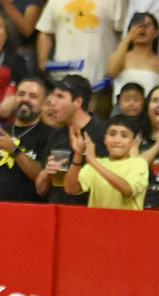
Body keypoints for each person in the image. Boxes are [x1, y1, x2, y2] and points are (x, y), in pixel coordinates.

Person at [36, 0, 124, 89]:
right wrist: (42, 62)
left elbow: (123, 34)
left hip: (100, 80)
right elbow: (45, 31)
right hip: (64, 80)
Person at [0, 75, 51, 203]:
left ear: (43, 104)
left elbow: (42, 178)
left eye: (33, 96)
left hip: (29, 211)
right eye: (21, 94)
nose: (25, 99)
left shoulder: (49, 135)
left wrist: (14, 150)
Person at [36, 74, 109, 204]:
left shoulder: (103, 134)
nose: (52, 102)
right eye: (53, 95)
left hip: (89, 215)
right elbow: (41, 190)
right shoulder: (56, 134)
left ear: (77, 102)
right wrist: (46, 174)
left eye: (60, 96)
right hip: (56, 213)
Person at [62, 115, 149, 209]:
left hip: (127, 222)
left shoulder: (139, 164)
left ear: (134, 142)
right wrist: (78, 155)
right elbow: (70, 189)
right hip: (97, 222)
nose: (117, 140)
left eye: (124, 135)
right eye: (112, 134)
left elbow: (127, 190)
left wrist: (93, 162)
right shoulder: (97, 163)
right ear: (105, 139)